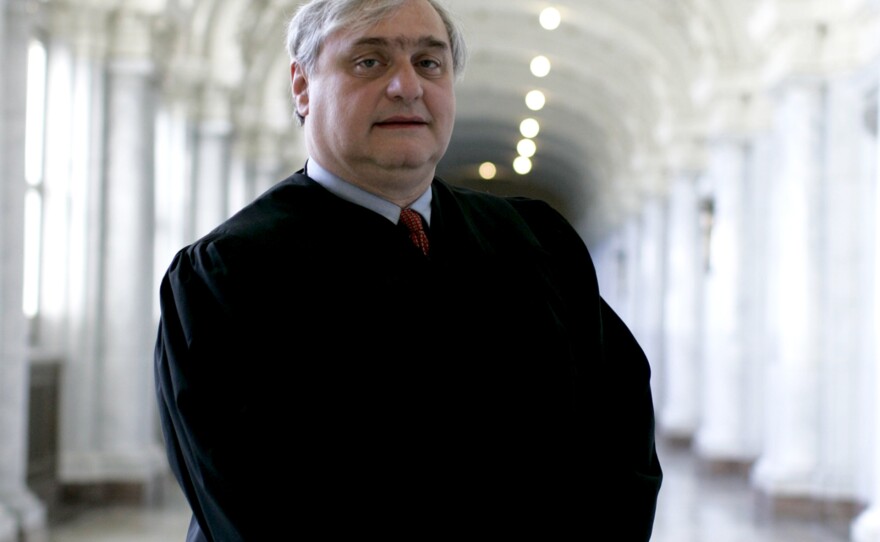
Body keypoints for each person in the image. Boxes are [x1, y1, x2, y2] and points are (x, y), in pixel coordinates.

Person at [153, 0, 662, 540]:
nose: (407, 86)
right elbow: (254, 507)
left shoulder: (536, 240)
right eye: (369, 62)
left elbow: (620, 436)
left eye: (429, 63)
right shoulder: (226, 276)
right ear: (302, 86)